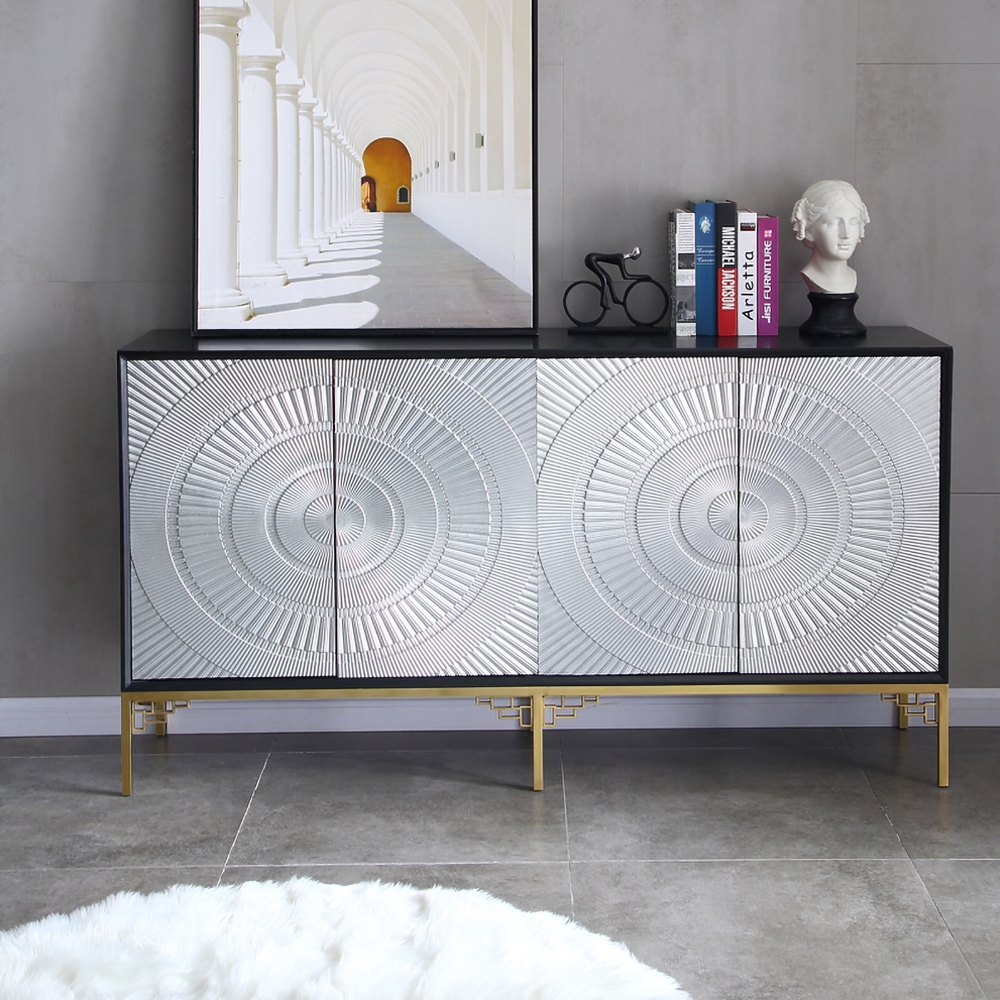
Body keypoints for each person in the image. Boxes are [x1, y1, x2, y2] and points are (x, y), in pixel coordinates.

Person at [790, 180, 870, 294]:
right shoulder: (810, 274)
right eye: (833, 223)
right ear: (809, 230)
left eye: (854, 223)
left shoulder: (852, 276)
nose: (846, 234)